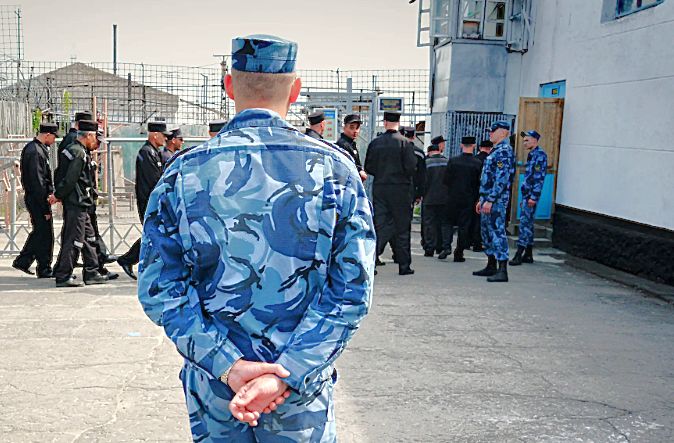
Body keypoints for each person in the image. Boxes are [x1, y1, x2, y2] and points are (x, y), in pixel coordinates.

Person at [137, 34, 375, 442]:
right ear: (295, 90)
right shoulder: (335, 170)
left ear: (229, 86)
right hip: (298, 393)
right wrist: (288, 372)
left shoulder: (183, 172)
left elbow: (160, 289)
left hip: (217, 390)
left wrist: (228, 365)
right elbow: (351, 292)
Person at [52, 120, 108, 287]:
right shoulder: (78, 153)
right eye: (95, 137)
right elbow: (70, 179)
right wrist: (58, 195)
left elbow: (60, 174)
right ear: (88, 135)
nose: (96, 142)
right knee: (74, 240)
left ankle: (92, 272)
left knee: (89, 238)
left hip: (83, 203)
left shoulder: (76, 150)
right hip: (77, 203)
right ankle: (63, 275)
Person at [116, 121, 171, 280]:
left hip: (153, 202)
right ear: (155, 135)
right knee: (153, 233)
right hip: (148, 202)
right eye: (163, 136)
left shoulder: (154, 152)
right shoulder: (146, 153)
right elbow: (155, 181)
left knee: (154, 233)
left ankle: (130, 260)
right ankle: (128, 259)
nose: (165, 139)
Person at [364, 111, 417, 275]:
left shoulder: (375, 143)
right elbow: (411, 168)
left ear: (385, 122)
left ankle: (371, 261)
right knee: (402, 227)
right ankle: (404, 265)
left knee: (380, 225)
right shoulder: (406, 143)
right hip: (401, 189)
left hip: (381, 187)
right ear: (398, 123)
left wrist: (382, 173)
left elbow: (369, 167)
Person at [12, 122, 59, 278]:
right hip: (37, 199)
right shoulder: (35, 151)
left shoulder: (37, 149)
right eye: (53, 137)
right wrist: (45, 206)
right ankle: (43, 267)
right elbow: (37, 181)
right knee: (45, 234)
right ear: (47, 135)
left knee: (40, 232)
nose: (54, 141)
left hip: (37, 198)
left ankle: (23, 261)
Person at [473, 120, 515, 283]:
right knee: (487, 233)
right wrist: (482, 199)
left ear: (504, 132)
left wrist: (490, 199)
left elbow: (501, 179)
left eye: (493, 131)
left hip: (496, 200)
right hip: (487, 198)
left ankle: (502, 269)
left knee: (497, 232)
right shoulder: (495, 150)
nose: (490, 133)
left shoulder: (504, 151)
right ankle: (491, 265)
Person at [511, 130, 548, 266]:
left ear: (535, 140)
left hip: (531, 196)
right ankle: (528, 254)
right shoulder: (532, 155)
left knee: (524, 224)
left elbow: (539, 178)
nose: (524, 143)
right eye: (524, 140)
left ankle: (519, 254)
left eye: (527, 140)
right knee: (528, 224)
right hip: (527, 196)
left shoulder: (540, 155)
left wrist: (533, 197)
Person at [444, 136, 482, 262]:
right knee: (464, 226)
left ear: (461, 145)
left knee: (448, 222)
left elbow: (446, 180)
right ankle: (459, 252)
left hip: (452, 197)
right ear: (474, 146)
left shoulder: (453, 161)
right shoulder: (477, 163)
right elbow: (479, 182)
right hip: (469, 198)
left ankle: (446, 246)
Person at [422, 142, 452, 258]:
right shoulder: (447, 162)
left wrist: (421, 194)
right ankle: (443, 247)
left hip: (429, 197)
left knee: (429, 223)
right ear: (439, 151)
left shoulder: (426, 163)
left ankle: (430, 248)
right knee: (444, 223)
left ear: (430, 152)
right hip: (445, 198)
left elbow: (424, 181)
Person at [472, 139, 493, 252]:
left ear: (480, 148)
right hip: (484, 193)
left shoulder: (474, 159)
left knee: (472, 217)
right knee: (480, 219)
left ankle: (469, 241)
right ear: (490, 148)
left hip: (472, 192)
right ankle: (478, 242)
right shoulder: (490, 159)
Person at [335, 114, 367, 181]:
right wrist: (360, 172)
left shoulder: (350, 144)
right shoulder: (343, 145)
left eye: (357, 128)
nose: (355, 131)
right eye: (352, 127)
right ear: (344, 128)